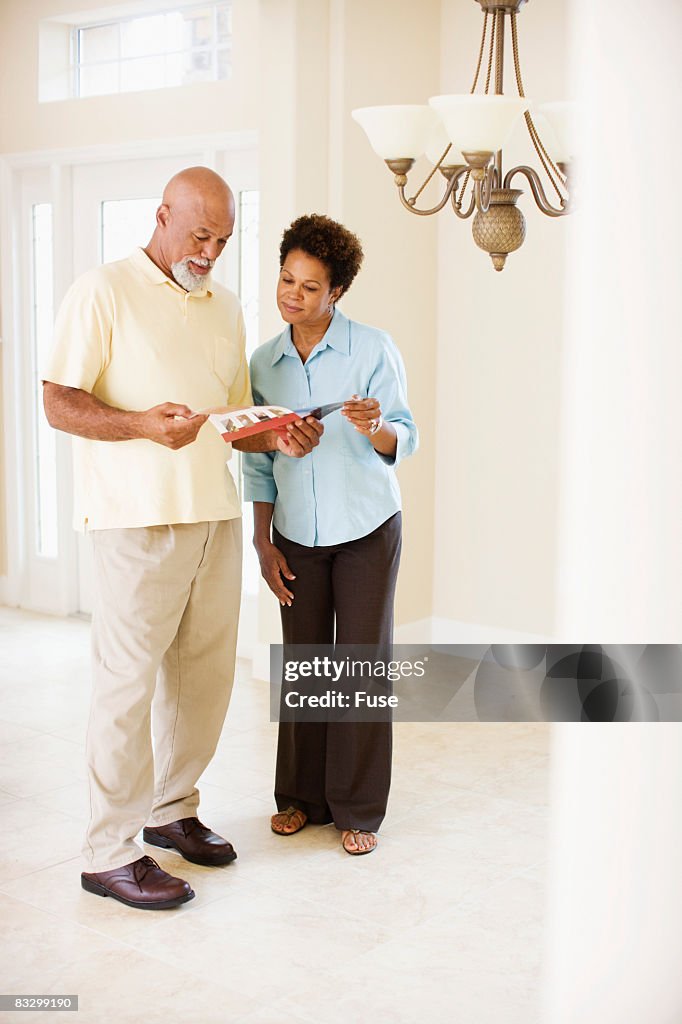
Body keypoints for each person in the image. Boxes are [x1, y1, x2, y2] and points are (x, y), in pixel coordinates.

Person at [42, 167, 323, 910]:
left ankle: (173, 810)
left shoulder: (224, 307)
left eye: (223, 239)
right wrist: (137, 424)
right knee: (128, 686)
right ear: (162, 215)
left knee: (204, 679)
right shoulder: (102, 291)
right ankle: (107, 851)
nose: (211, 250)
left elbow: (231, 419)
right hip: (135, 519)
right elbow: (58, 402)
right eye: (200, 233)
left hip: (214, 516)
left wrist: (274, 438)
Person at [243, 214, 418, 855]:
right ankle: (300, 797)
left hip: (369, 526)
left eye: (310, 286)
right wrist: (263, 542)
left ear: (336, 292)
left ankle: (359, 808)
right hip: (294, 533)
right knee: (306, 660)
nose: (294, 294)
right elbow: (256, 458)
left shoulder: (373, 348)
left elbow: (404, 434)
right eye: (287, 279)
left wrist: (374, 426)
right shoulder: (263, 362)